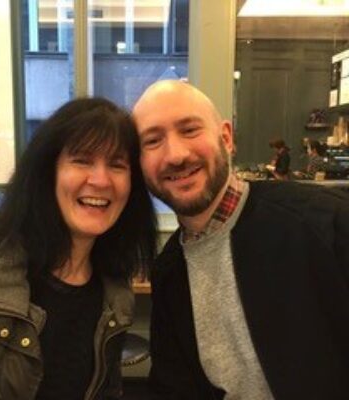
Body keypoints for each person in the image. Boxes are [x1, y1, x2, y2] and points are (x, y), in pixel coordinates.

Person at [133, 80, 349, 400]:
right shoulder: (169, 272)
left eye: (190, 130)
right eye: (152, 141)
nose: (176, 155)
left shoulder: (324, 222)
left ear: (226, 138)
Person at [0, 97, 157, 400]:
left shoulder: (116, 293)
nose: (100, 180)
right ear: (48, 171)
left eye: (116, 164)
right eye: (82, 160)